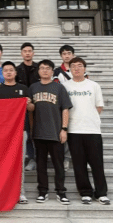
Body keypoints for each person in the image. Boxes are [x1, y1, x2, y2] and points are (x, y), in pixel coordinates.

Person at [64, 57, 110, 205]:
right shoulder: (65, 86)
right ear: (69, 69)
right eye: (73, 66)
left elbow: (99, 106)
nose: (76, 68)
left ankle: (101, 193)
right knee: (79, 164)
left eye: (79, 66)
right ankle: (85, 192)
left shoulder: (93, 85)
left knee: (97, 163)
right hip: (74, 130)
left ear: (84, 69)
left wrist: (89, 118)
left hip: (92, 130)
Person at [28, 59, 72, 205]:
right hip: (39, 133)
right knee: (41, 165)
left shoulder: (59, 87)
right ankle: (43, 191)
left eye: (48, 68)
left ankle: (61, 192)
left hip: (55, 132)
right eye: (42, 68)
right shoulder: (33, 87)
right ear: (38, 71)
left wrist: (64, 129)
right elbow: (30, 111)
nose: (45, 70)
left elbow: (65, 109)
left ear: (52, 71)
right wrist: (32, 129)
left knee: (59, 165)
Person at [0, 61, 34, 204]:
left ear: (15, 73)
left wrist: (28, 103)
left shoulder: (23, 88)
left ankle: (20, 192)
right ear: (2, 73)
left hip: (20, 131)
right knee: (2, 163)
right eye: (6, 70)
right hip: (2, 133)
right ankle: (2, 192)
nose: (9, 72)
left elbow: (32, 108)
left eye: (11, 70)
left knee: (20, 163)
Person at [52, 44, 88, 171]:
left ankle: (84, 158)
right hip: (64, 107)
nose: (66, 56)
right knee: (65, 131)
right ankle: (66, 158)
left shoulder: (80, 69)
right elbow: (56, 88)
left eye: (69, 53)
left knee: (81, 133)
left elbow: (86, 85)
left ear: (73, 55)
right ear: (61, 56)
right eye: (64, 54)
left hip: (80, 105)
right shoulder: (57, 72)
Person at [16, 42, 40, 172]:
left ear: (33, 53)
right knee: (28, 133)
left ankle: (40, 158)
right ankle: (31, 158)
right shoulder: (17, 70)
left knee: (39, 133)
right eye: (25, 51)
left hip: (39, 105)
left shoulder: (39, 68)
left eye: (29, 51)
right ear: (21, 53)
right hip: (23, 107)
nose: (27, 53)